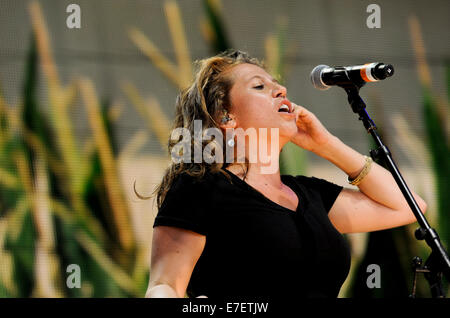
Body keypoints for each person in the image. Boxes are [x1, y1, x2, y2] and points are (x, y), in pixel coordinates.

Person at [144, 50, 427, 298]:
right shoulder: (201, 189)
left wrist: (326, 145)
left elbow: (409, 206)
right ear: (225, 116)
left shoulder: (310, 194)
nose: (280, 90)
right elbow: (164, 285)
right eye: (259, 86)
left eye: (278, 85)